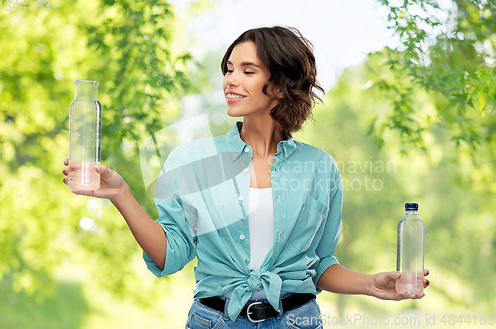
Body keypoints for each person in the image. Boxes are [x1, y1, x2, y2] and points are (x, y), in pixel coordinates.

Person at [63, 26, 429, 328]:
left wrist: (371, 284)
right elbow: (170, 255)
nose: (230, 80)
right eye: (229, 69)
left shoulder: (320, 168)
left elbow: (319, 265)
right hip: (214, 321)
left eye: (247, 71)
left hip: (297, 321)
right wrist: (121, 195)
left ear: (281, 84)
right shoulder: (192, 160)